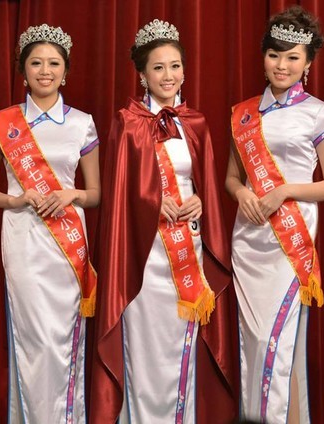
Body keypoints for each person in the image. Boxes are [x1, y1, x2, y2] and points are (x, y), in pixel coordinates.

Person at [90, 19, 237, 424]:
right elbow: (118, 195)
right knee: (146, 347)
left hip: (188, 248)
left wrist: (200, 201)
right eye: (158, 67)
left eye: (175, 66)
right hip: (145, 253)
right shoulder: (127, 122)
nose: (168, 75)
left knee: (181, 342)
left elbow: (206, 186)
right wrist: (153, 206)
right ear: (142, 74)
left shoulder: (195, 122)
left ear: (185, 70)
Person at [0, 23, 100, 423]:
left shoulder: (82, 122)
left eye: (54, 63)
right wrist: (14, 199)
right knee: (33, 338)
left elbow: (95, 193)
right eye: (36, 63)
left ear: (66, 71)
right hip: (23, 236)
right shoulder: (3, 123)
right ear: (23, 70)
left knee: (63, 337)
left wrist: (71, 194)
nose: (45, 71)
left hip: (68, 241)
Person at [226, 6, 324, 423]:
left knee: (275, 341)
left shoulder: (319, 112)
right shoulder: (242, 112)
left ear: (308, 62)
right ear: (263, 56)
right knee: (252, 344)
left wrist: (285, 191)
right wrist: (242, 192)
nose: (282, 65)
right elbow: (231, 177)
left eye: (293, 57)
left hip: (290, 241)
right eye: (274, 54)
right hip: (248, 238)